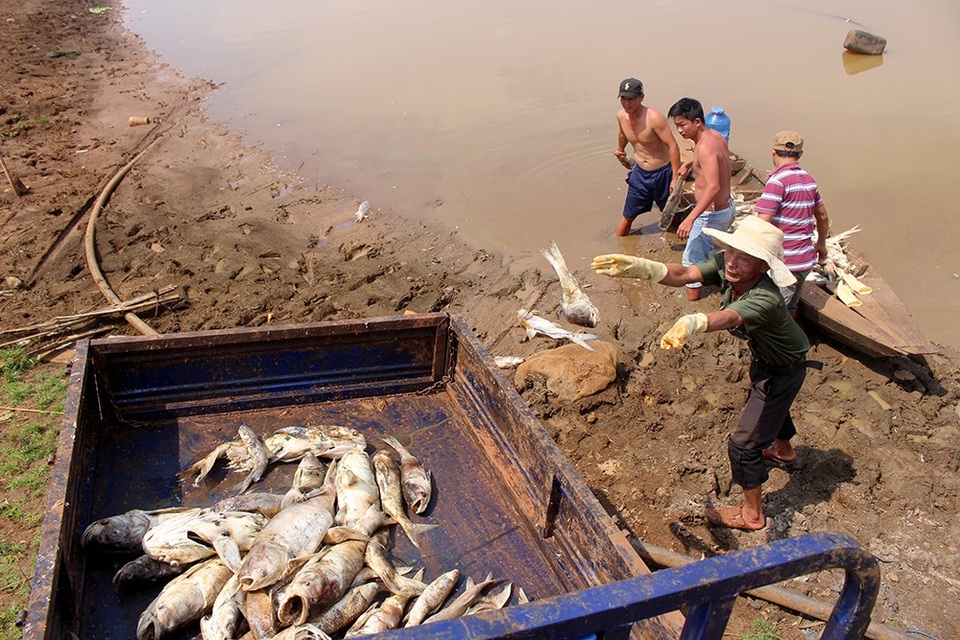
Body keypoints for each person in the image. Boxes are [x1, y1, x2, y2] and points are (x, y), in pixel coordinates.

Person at [591, 216, 817, 531]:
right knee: (769, 403)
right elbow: (684, 273)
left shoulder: (765, 297)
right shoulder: (727, 264)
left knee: (742, 445)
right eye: (732, 251)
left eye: (746, 258)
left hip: (783, 368)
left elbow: (728, 317)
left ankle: (752, 515)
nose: (734, 262)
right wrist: (643, 267)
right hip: (769, 360)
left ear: (763, 267)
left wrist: (694, 322)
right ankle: (782, 450)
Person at [754, 131, 831, 318]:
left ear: (773, 152)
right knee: (791, 307)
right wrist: (821, 244)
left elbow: (761, 224)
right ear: (800, 155)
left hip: (785, 263)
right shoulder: (809, 180)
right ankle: (793, 338)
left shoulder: (777, 182)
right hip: (804, 262)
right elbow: (822, 216)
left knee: (771, 314)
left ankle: (777, 346)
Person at [666, 98, 735, 300]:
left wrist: (690, 218)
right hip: (727, 210)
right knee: (710, 251)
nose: (679, 130)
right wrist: (689, 163)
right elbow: (717, 158)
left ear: (697, 121)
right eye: (676, 125)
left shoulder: (704, 148)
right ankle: (719, 278)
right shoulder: (715, 136)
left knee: (691, 261)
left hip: (710, 215)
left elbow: (713, 186)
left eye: (682, 124)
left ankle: (693, 301)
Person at [613, 78, 680, 237]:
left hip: (662, 173)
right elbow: (623, 134)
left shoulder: (654, 118)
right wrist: (620, 149)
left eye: (631, 99)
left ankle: (677, 239)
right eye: (624, 98)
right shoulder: (621, 116)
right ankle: (618, 247)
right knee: (627, 216)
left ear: (641, 97)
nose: (627, 103)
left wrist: (675, 177)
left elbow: (673, 145)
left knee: (672, 215)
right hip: (640, 174)